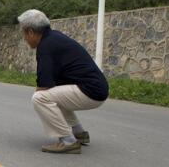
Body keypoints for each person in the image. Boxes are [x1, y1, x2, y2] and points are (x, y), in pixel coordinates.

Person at [18, 9, 109, 154]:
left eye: (23, 34)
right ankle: (79, 134)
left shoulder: (46, 46)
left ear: (30, 32)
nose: (24, 38)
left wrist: (41, 106)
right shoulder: (55, 37)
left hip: (90, 91)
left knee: (40, 99)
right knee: (53, 97)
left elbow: (43, 86)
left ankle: (68, 141)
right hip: (97, 89)